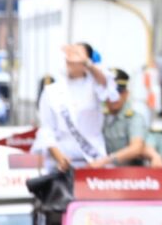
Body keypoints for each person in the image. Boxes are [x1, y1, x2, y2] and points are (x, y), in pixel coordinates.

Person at [31, 43, 119, 172]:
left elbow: (110, 89)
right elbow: (47, 129)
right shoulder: (52, 91)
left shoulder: (95, 85)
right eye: (69, 54)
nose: (70, 59)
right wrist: (58, 156)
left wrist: (87, 63)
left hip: (93, 159)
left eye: (77, 54)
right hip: (62, 162)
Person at [90, 68, 147, 167]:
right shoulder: (99, 118)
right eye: (110, 92)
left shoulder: (134, 118)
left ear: (126, 94)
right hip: (101, 176)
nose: (114, 96)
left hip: (130, 177)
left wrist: (107, 161)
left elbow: (136, 148)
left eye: (118, 92)